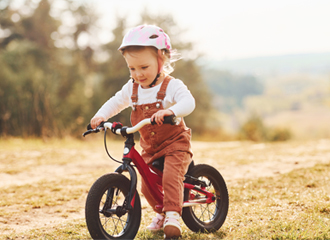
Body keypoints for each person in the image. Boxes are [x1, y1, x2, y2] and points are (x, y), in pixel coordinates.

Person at [90, 25, 195, 239]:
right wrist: (101, 116)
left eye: (144, 67)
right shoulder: (132, 88)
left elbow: (189, 102)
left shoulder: (171, 85)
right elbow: (116, 102)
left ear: (161, 59)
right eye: (132, 69)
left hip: (175, 144)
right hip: (151, 148)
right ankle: (162, 213)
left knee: (171, 177)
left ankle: (173, 215)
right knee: (146, 185)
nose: (138, 74)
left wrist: (171, 110)